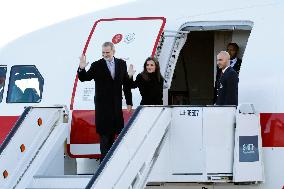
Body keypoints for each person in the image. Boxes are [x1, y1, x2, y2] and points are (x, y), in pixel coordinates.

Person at [77, 42, 132, 162]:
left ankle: (112, 164)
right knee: (104, 137)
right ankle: (103, 166)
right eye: (103, 52)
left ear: (113, 51)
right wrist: (81, 68)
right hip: (102, 108)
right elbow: (84, 78)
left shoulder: (122, 64)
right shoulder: (97, 65)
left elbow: (126, 84)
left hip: (116, 107)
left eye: (107, 52)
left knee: (114, 136)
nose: (105, 54)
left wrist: (129, 102)